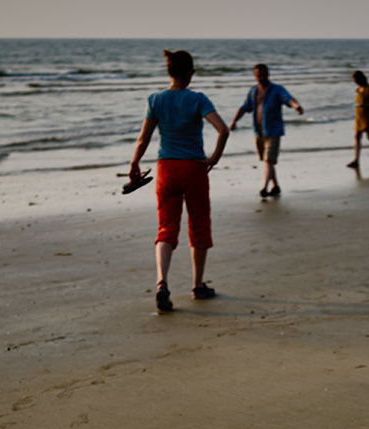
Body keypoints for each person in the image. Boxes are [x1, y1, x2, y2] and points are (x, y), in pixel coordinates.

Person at [129, 50, 229, 312]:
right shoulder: (198, 99)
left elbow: (144, 139)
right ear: (190, 73)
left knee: (166, 228)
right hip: (194, 167)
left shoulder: (156, 99)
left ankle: (162, 282)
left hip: (166, 169)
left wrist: (134, 163)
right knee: (199, 224)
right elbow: (223, 129)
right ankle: (197, 285)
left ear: (169, 72)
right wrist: (214, 157)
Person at [230, 64, 304, 197]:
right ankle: (276, 186)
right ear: (255, 76)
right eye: (259, 75)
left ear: (268, 74)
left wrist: (296, 106)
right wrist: (234, 121)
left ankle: (264, 188)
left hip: (273, 130)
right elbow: (245, 107)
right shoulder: (253, 91)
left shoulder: (277, 89)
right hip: (258, 131)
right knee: (266, 160)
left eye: (264, 75)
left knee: (268, 160)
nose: (262, 77)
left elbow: (288, 99)